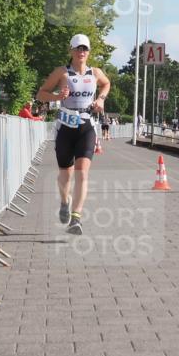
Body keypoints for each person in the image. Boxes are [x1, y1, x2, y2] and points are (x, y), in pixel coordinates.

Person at [35, 33, 110, 235]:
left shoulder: (95, 73)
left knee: (82, 172)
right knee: (65, 174)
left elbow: (106, 84)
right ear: (71, 50)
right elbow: (40, 94)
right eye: (78, 48)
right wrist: (57, 96)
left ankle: (76, 218)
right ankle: (64, 202)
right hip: (66, 128)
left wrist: (101, 99)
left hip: (86, 126)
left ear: (89, 52)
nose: (81, 52)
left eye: (84, 48)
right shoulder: (62, 72)